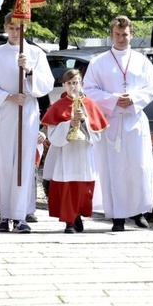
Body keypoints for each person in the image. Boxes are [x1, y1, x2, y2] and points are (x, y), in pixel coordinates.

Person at [0, 14, 53, 233]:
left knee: (24, 164)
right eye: (11, 28)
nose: (15, 32)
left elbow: (47, 83)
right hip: (5, 113)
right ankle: (3, 213)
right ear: (6, 28)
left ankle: (20, 214)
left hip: (26, 112)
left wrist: (29, 71)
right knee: (4, 162)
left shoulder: (35, 53)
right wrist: (8, 96)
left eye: (19, 28)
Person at [83, 16, 153, 232]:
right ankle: (117, 216)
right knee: (114, 169)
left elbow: (152, 87)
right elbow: (89, 89)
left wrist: (133, 98)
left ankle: (139, 212)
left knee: (138, 166)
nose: (120, 38)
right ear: (111, 35)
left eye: (124, 34)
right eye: (117, 34)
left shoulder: (142, 61)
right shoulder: (99, 62)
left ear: (131, 34)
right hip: (112, 121)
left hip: (134, 121)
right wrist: (115, 99)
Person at [41, 69, 108, 233]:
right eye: (69, 83)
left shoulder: (90, 105)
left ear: (82, 84)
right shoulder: (57, 106)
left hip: (84, 152)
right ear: (63, 85)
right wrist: (68, 124)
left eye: (76, 82)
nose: (73, 86)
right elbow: (53, 136)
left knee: (84, 188)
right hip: (67, 154)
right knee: (68, 188)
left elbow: (98, 136)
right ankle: (69, 221)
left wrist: (84, 121)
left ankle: (78, 214)